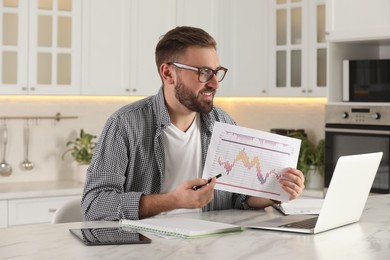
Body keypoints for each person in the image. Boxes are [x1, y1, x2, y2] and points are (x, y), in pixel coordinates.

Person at [81, 26, 304, 221]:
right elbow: (95, 204)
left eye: (216, 72)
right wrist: (172, 201)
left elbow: (239, 199)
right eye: (204, 73)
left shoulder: (224, 123)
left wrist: (274, 192)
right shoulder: (125, 125)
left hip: (209, 246)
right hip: (144, 247)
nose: (215, 83)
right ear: (168, 73)